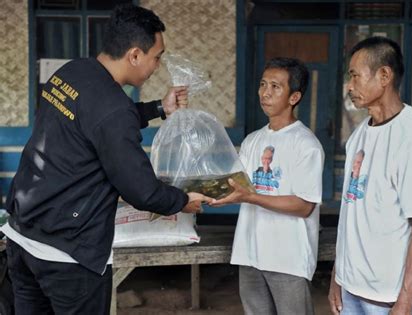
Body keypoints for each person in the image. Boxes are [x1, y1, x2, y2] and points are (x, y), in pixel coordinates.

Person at [2, 4, 212, 314]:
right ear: (135, 55)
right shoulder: (113, 109)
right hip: (68, 256)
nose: (157, 66)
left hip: (23, 236)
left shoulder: (72, 72)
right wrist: (182, 200)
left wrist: (158, 108)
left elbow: (97, 125)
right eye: (157, 57)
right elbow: (142, 191)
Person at [328, 37, 412, 315]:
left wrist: (405, 300)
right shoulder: (359, 136)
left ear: (384, 76)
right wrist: (337, 277)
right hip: (350, 290)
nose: (350, 86)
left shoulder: (411, 138)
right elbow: (349, 214)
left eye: (355, 76)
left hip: (389, 298)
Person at [211, 57, 325, 315]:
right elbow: (233, 184)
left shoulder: (306, 145)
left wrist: (251, 197)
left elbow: (304, 205)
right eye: (263, 84)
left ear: (294, 97)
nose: (265, 92)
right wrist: (192, 195)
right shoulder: (253, 141)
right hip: (250, 253)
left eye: (275, 86)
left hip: (287, 258)